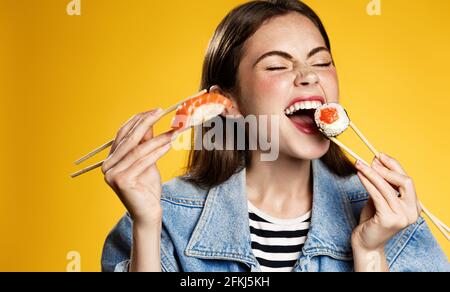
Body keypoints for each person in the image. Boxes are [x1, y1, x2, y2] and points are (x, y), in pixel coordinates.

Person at [101, 0, 449, 272]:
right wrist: (146, 224)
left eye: (322, 62)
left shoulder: (389, 216)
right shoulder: (167, 218)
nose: (308, 76)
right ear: (228, 103)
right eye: (277, 66)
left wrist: (371, 253)